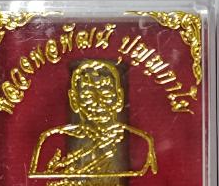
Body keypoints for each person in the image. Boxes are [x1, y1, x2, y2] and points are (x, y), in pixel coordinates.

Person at [29, 60, 157, 178]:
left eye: (106, 93)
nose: (98, 102)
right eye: (88, 95)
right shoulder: (51, 141)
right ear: (74, 100)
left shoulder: (141, 142)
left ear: (119, 98)